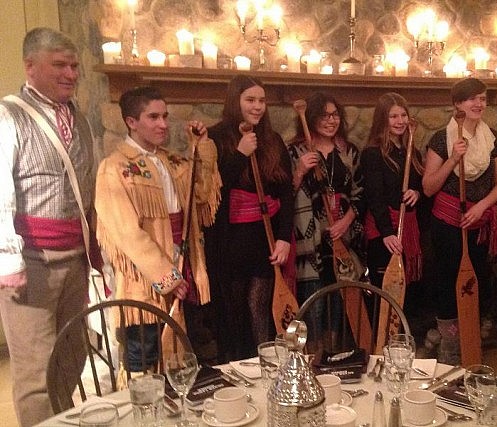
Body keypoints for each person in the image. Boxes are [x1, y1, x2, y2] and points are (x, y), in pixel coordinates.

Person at [0, 27, 97, 426]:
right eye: (60, 64)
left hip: (76, 259)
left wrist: (98, 250)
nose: (71, 73)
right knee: (36, 371)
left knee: (72, 355)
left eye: (74, 65)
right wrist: (8, 260)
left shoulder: (81, 120)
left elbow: (86, 192)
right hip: (31, 262)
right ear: (30, 66)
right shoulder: (9, 115)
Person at [95, 86, 221, 370]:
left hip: (185, 267)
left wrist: (201, 145)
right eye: (153, 117)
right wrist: (167, 277)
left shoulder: (172, 161)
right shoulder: (114, 168)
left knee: (187, 358)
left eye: (165, 116)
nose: (163, 124)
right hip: (145, 282)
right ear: (131, 121)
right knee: (145, 362)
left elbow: (200, 194)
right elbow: (126, 233)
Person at [204, 75, 293, 362]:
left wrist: (284, 238)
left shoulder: (273, 140)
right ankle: (237, 366)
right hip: (229, 241)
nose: (257, 107)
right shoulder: (214, 138)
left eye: (262, 100)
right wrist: (240, 154)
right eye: (250, 100)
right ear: (235, 102)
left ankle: (264, 363)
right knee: (234, 310)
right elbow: (211, 191)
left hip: (263, 238)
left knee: (259, 306)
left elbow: (287, 193)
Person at [422, 78, 497, 364]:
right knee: (447, 283)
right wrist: (453, 159)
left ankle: (469, 342)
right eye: (471, 99)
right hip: (447, 223)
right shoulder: (441, 139)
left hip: (478, 224)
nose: (478, 104)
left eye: (482, 98)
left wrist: (481, 207)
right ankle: (449, 348)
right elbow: (429, 187)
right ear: (458, 104)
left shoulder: (491, 136)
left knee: (477, 282)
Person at [288, 92, 365, 340]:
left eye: (335, 115)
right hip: (311, 244)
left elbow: (361, 193)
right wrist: (299, 170)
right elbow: (283, 194)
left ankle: (344, 359)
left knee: (343, 310)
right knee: (315, 308)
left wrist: (346, 221)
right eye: (324, 115)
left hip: (344, 238)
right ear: (311, 118)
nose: (331, 120)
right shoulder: (295, 151)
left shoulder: (349, 151)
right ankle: (316, 358)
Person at [360, 92, 423, 293]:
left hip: (409, 226)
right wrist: (387, 233)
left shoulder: (412, 150)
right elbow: (374, 196)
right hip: (383, 230)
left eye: (403, 115)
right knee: (386, 286)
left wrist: (417, 193)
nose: (400, 121)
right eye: (393, 116)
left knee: (406, 285)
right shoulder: (372, 153)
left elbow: (421, 184)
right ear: (383, 119)